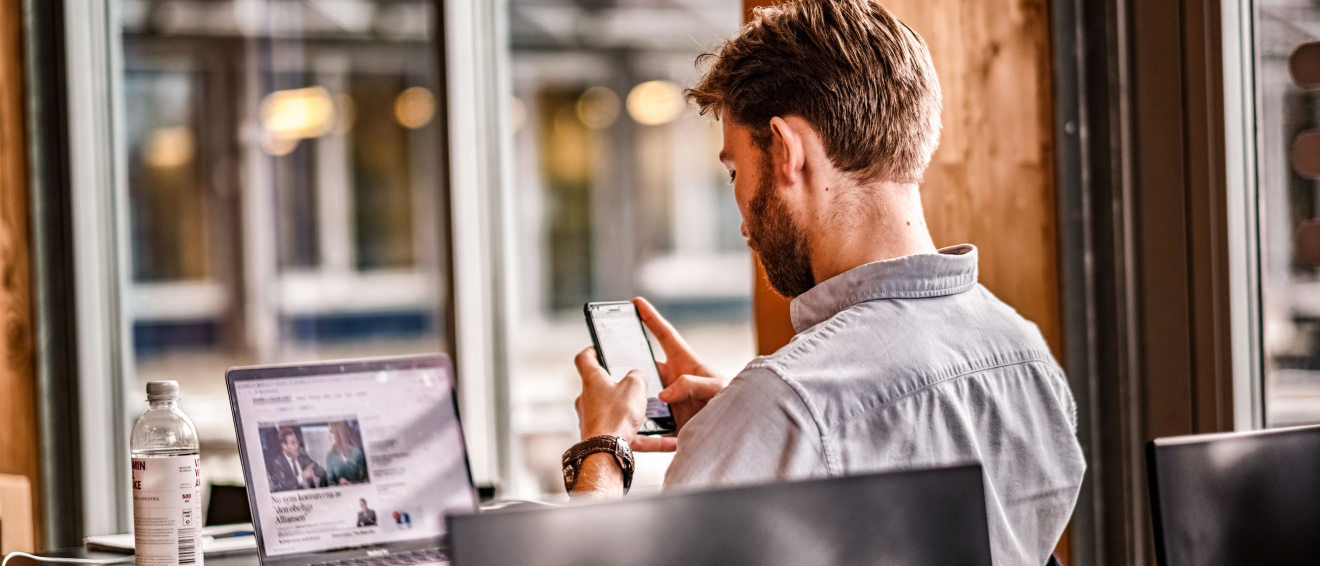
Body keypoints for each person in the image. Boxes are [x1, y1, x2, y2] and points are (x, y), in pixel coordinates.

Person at [562, 1, 1085, 565]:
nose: (740, 218)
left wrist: (603, 449)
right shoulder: (1025, 355)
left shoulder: (783, 405)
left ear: (787, 151)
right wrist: (744, 422)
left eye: (735, 172)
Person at [267, 427, 327, 492]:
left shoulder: (301, 455)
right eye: (293, 443)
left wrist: (314, 472)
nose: (297, 446)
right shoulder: (278, 462)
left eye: (296, 442)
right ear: (284, 446)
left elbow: (319, 469)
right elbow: (285, 486)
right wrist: (302, 476)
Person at [325, 421, 369, 485]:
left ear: (338, 432)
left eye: (331, 431)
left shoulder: (356, 452)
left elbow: (363, 480)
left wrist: (351, 484)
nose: (328, 435)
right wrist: (340, 486)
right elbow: (330, 482)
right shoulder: (330, 455)